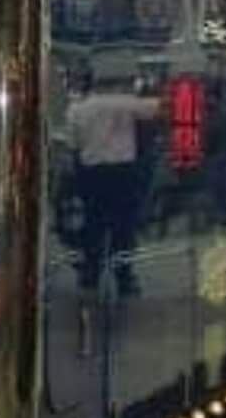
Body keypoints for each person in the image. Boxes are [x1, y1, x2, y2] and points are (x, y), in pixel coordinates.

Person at [66, 69, 159, 296]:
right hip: (122, 174)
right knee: (124, 225)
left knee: (93, 222)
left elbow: (73, 145)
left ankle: (91, 273)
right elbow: (156, 109)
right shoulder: (124, 103)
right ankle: (124, 277)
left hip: (91, 173)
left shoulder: (76, 109)